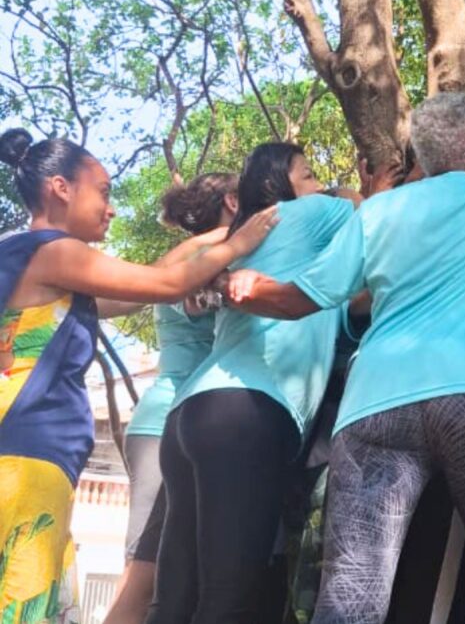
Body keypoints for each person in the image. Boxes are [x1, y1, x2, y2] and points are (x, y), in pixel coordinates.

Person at [227, 92, 465, 624]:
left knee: (352, 589)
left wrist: (244, 287)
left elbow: (298, 299)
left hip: (376, 406)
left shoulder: (378, 211)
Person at [0, 128, 275, 621]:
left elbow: (138, 292)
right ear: (61, 188)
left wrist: (213, 238)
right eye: (103, 192)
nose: (111, 209)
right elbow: (166, 283)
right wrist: (239, 243)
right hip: (29, 452)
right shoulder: (57, 251)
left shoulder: (20, 253)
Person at [143, 143, 393, 624]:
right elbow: (363, 209)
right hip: (247, 414)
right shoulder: (306, 213)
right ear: (278, 184)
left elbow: (349, 302)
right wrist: (362, 191)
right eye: (309, 174)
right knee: (228, 602)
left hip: (190, 416)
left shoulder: (267, 245)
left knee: (174, 600)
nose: (319, 184)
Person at [100, 172, 240, 624]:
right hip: (165, 425)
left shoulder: (197, 254)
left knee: (163, 576)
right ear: (233, 202)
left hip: (176, 424)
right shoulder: (200, 260)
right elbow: (198, 298)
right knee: (142, 577)